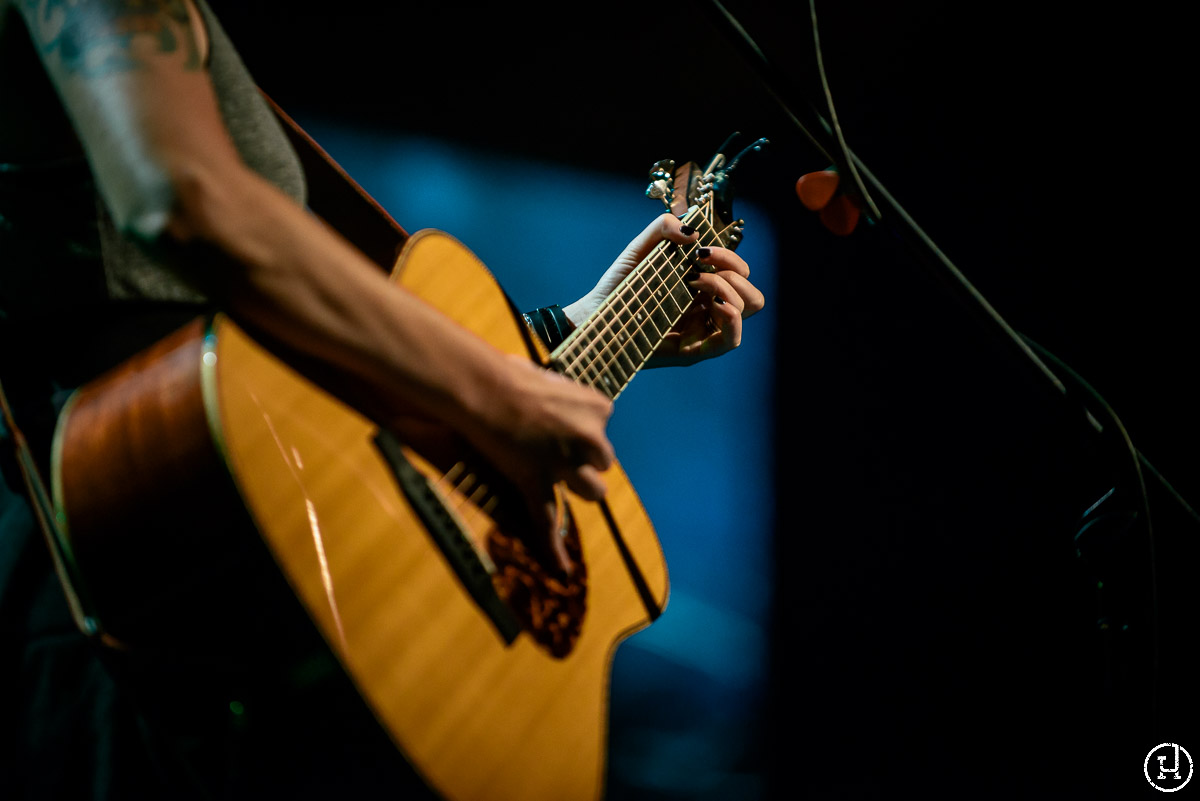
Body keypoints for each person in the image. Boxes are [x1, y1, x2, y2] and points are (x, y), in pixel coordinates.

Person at [0, 1, 765, 798]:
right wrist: (499, 390)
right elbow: (182, 199)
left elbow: (291, 344)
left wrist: (578, 328)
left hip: (233, 589)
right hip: (115, 569)